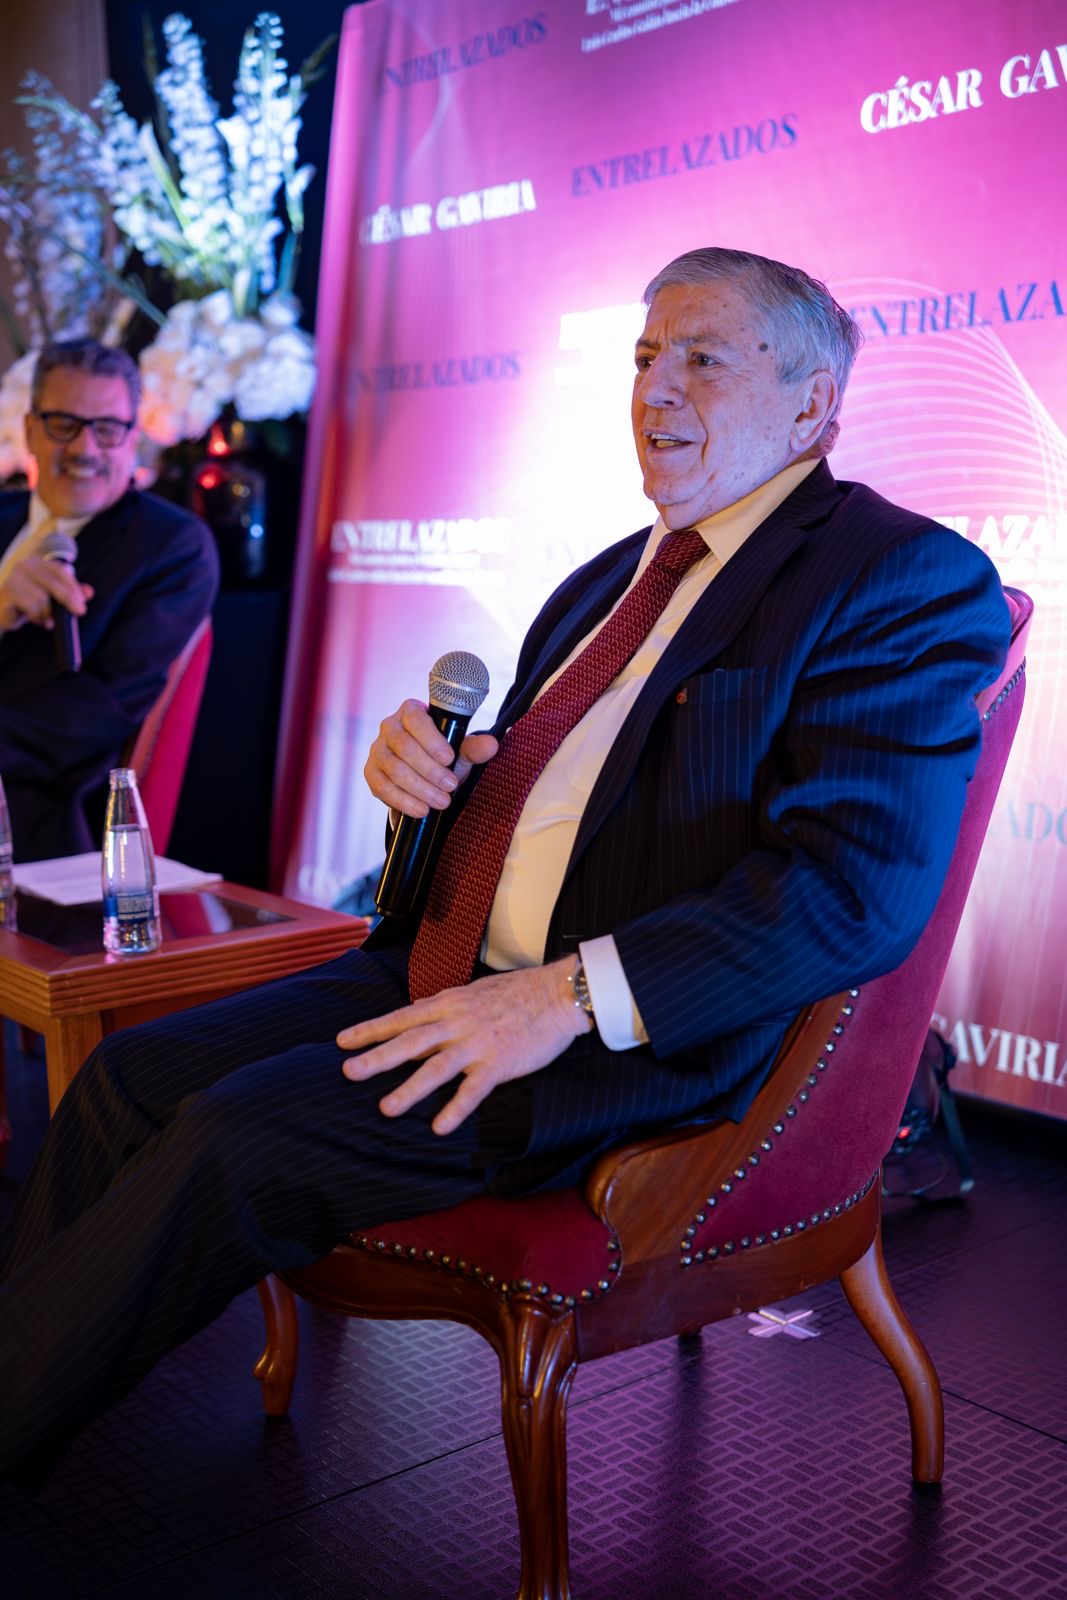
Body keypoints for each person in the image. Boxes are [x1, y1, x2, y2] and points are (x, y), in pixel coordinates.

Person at [0, 249, 1009, 1485]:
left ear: (810, 406)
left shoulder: (893, 576)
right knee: (125, 1076)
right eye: (644, 356)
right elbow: (540, 805)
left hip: (618, 1038)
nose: (653, 389)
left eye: (700, 357)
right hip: (442, 966)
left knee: (231, 1134)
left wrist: (561, 997)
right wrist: (423, 786)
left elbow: (852, 894)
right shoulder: (608, 575)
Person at [0, 339, 219, 861]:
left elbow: (88, 717)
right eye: (63, 424)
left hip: (38, 821)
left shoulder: (170, 546)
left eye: (107, 428)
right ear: (30, 430)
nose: (85, 448)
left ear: (132, 439)